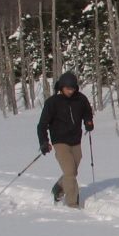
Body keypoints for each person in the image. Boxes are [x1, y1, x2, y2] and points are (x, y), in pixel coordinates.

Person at [37, 72, 94, 208]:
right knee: (69, 172)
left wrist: (88, 121)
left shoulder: (80, 99)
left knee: (72, 172)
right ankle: (72, 203)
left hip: (76, 140)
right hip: (60, 141)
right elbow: (42, 124)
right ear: (61, 87)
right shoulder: (53, 102)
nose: (70, 91)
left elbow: (87, 111)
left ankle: (58, 188)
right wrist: (44, 142)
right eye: (68, 88)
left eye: (72, 89)